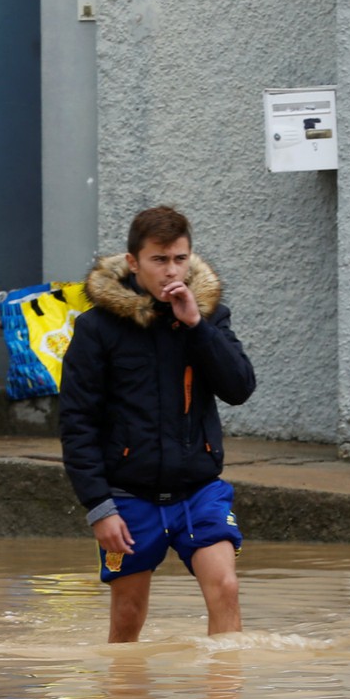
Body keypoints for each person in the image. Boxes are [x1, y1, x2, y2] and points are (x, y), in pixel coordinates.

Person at [58, 206, 257, 642]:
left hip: (198, 490)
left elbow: (240, 388)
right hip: (129, 496)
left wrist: (196, 325)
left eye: (180, 259)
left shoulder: (210, 316)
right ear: (133, 262)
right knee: (127, 614)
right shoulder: (96, 329)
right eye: (159, 260)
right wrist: (99, 507)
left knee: (226, 587)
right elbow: (77, 423)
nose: (172, 272)